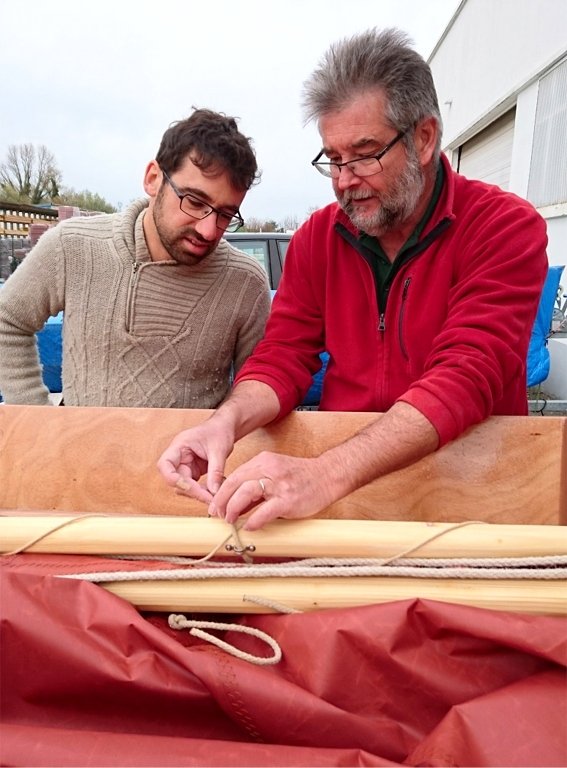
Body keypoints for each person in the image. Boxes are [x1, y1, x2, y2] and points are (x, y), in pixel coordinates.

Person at [158, 29, 548, 530]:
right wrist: (224, 422)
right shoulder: (317, 239)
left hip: (476, 488)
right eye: (333, 159)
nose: (344, 180)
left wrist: (325, 474)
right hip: (343, 497)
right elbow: (283, 355)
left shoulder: (503, 227)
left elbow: (467, 374)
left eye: (363, 155)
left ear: (423, 138)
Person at [0, 109, 271, 408]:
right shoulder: (73, 247)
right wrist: (38, 422)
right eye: (194, 202)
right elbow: (7, 319)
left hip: (193, 456)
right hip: (81, 453)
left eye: (226, 214)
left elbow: (258, 386)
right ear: (153, 179)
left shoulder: (246, 284)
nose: (209, 230)